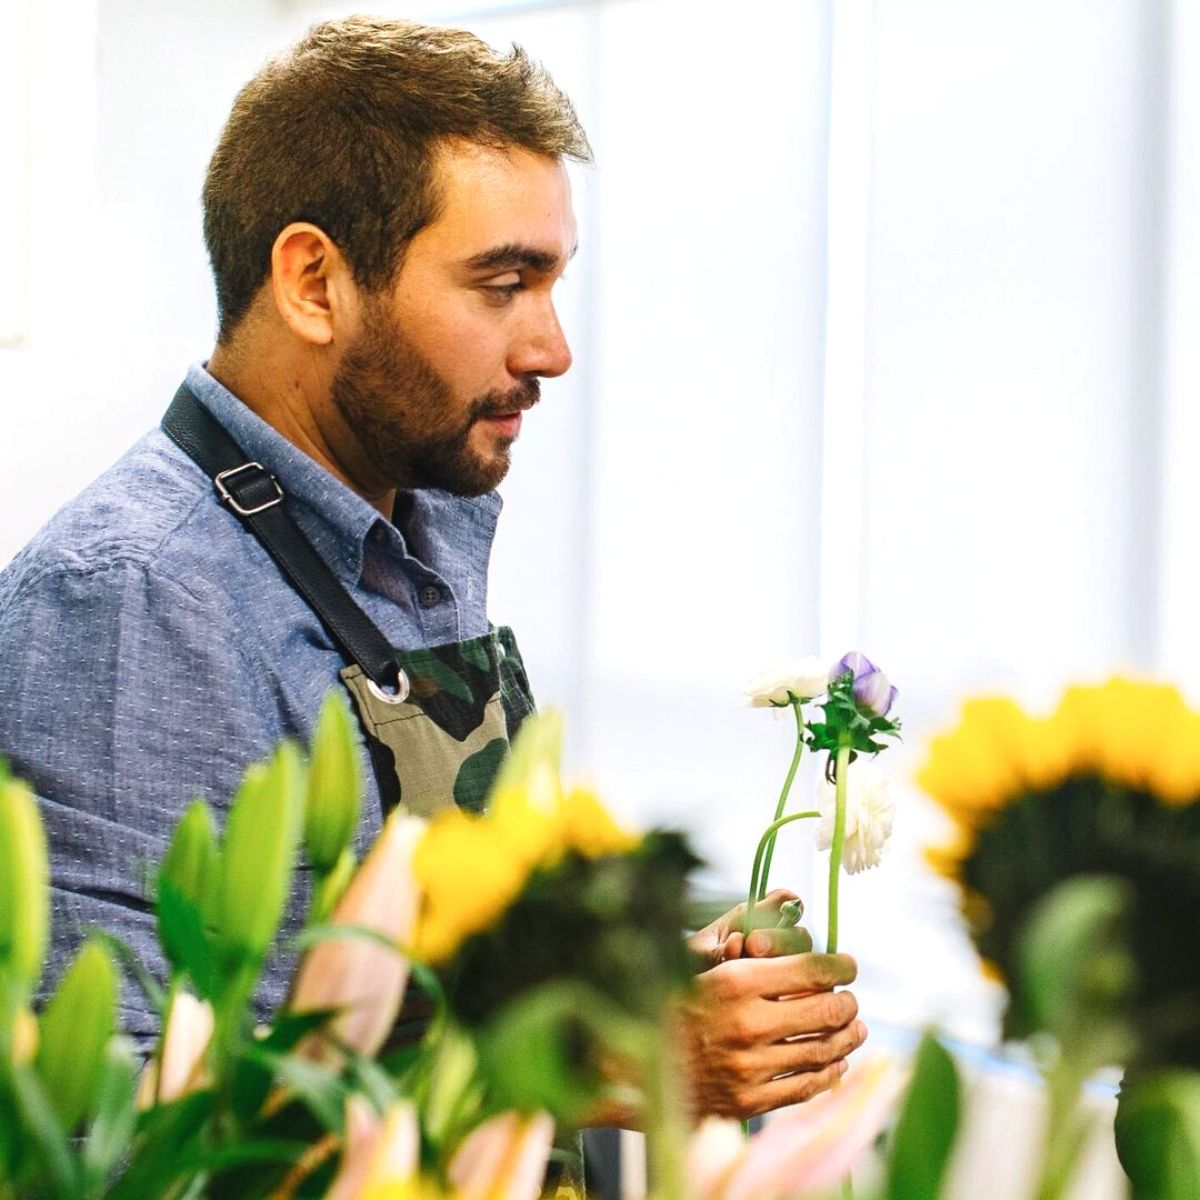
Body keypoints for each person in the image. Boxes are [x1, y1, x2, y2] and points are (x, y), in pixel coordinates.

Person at [0, 15, 864, 1121]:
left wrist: (611, 996)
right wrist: (594, 1069)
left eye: (552, 283)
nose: (550, 348)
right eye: (504, 283)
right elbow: (106, 1118)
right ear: (314, 282)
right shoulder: (132, 604)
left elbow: (398, 973)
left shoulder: (420, 532)